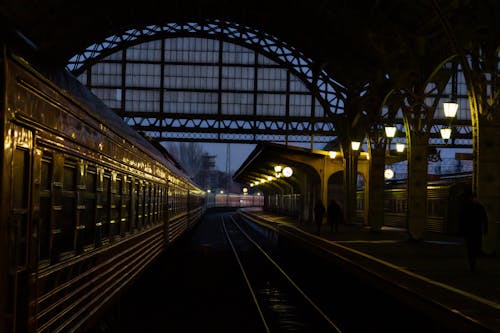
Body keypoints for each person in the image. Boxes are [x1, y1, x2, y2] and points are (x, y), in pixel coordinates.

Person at [459, 188, 488, 271]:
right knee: (476, 247)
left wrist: (461, 231)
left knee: (470, 248)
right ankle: (473, 263)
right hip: (477, 230)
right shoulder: (480, 206)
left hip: (468, 231)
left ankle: (472, 264)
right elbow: (485, 219)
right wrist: (485, 229)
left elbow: (462, 219)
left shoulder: (465, 206)